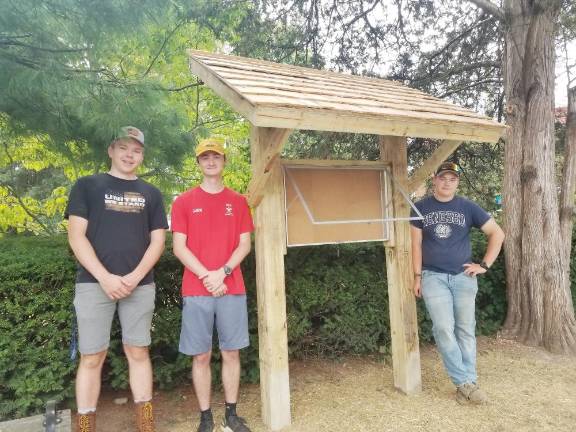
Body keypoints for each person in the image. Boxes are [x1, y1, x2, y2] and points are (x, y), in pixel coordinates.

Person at [65, 126, 167, 432]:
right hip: (93, 284)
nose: (129, 155)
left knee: (138, 351)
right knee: (92, 356)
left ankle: (145, 424)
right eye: (123, 148)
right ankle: (85, 426)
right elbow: (76, 236)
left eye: (136, 150)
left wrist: (135, 277)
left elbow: (158, 241)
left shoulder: (151, 193)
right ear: (111, 150)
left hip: (141, 285)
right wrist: (105, 277)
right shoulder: (87, 186)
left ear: (142, 155)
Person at [171, 138, 254, 432]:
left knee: (232, 352)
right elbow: (179, 247)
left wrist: (224, 271)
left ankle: (231, 414)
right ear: (198, 163)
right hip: (197, 289)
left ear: (224, 161)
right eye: (204, 157)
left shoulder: (239, 201)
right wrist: (209, 276)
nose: (210, 161)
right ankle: (205, 417)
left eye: (215, 156)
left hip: (232, 287)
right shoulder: (183, 202)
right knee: (201, 354)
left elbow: (245, 244)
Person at [410, 161, 504, 405]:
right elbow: (416, 245)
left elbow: (498, 233)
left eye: (452, 179)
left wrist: (483, 265)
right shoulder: (419, 208)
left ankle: (467, 385)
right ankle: (464, 383)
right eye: (443, 178)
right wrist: (417, 276)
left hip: (464, 278)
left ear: (457, 182)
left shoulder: (467, 207)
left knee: (465, 330)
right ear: (435, 179)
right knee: (443, 328)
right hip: (433, 277)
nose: (447, 182)